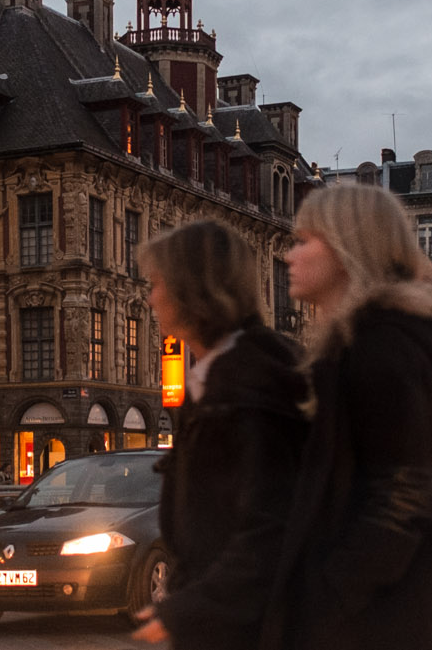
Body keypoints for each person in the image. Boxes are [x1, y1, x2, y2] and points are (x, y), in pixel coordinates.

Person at [260, 184, 432, 650]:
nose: (289, 256)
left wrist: (324, 600)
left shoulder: (381, 351)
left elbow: (401, 497)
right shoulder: (368, 347)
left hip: (399, 620)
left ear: (347, 248)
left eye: (304, 240)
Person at [128, 221, 307, 650]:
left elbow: (268, 528)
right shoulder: (220, 377)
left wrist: (192, 608)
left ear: (192, 290)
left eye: (157, 284)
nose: (150, 298)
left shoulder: (251, 384)